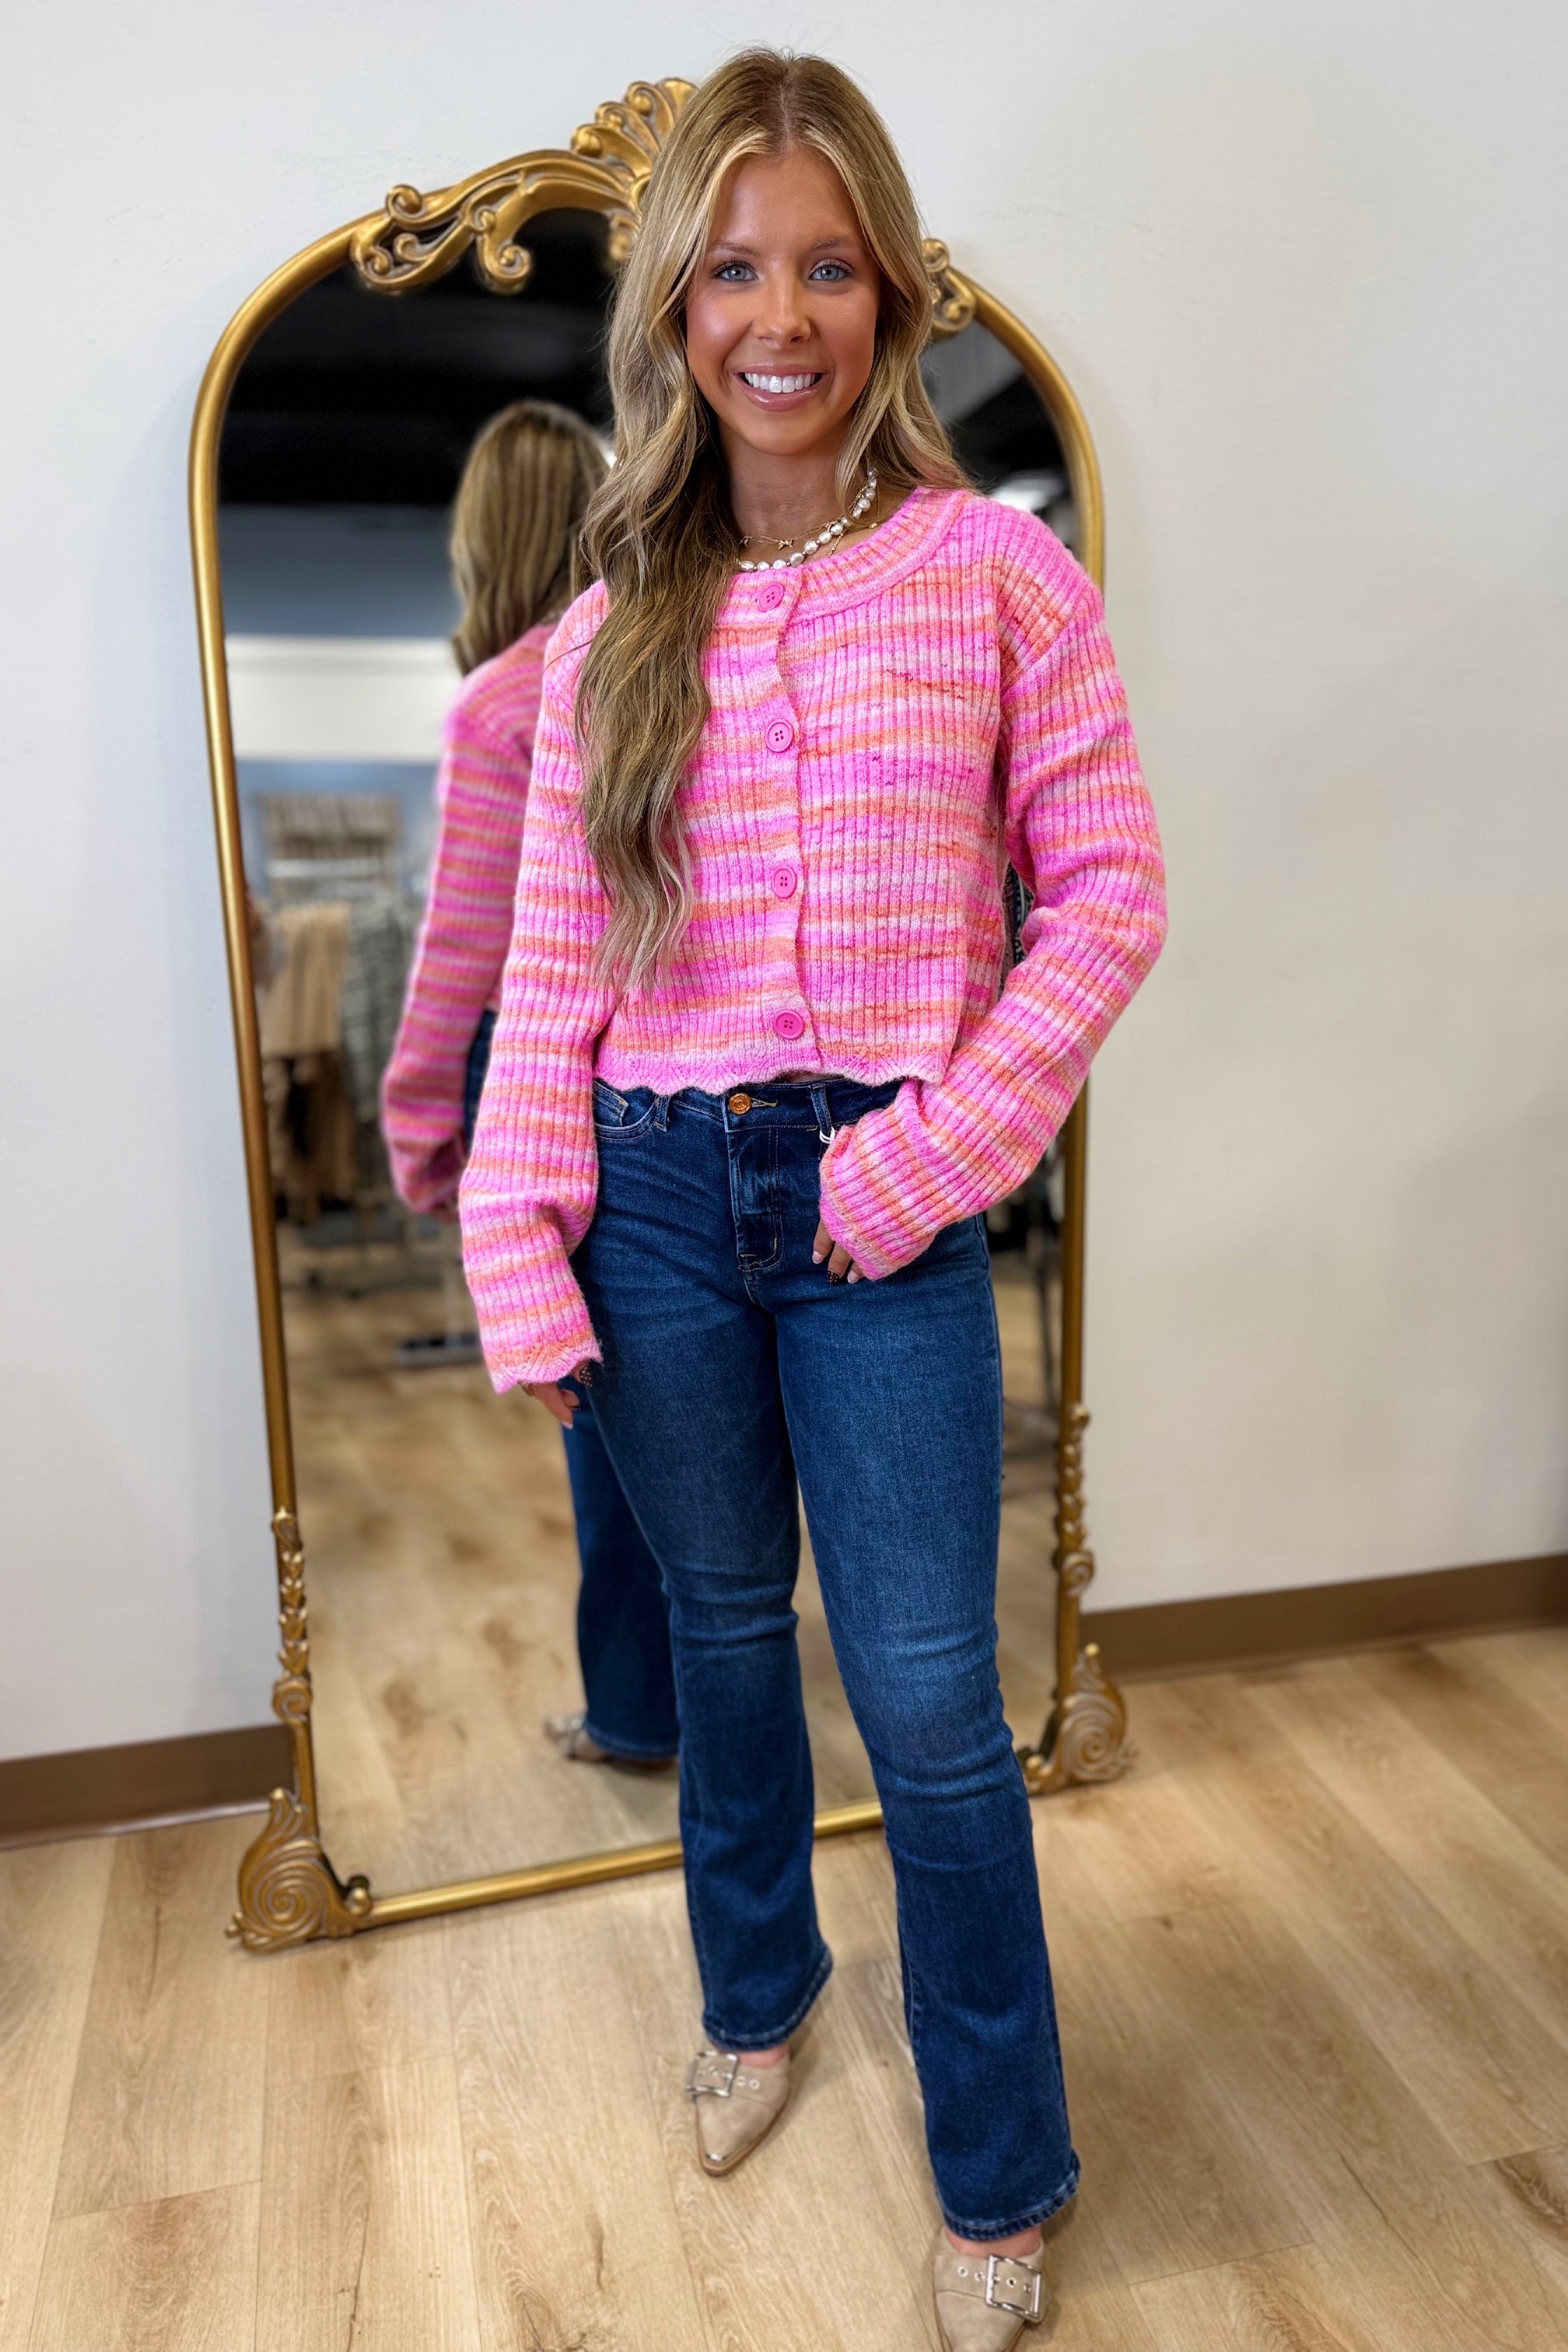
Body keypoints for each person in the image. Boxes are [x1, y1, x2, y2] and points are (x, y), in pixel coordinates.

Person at [460, 53, 1165, 2349]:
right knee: (723, 1639)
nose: (784, 317)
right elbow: (556, 963)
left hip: (882, 1209)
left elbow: (1109, 903)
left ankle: (1000, 2168)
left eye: (830, 266)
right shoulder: (606, 632)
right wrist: (517, 1235)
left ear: (893, 295)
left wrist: (927, 1159)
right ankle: (756, 1999)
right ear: (677, 309)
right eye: (737, 270)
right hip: (652, 1204)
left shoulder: (999, 577)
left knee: (937, 1707)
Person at [382, 400, 678, 1773]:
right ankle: (676, 1695)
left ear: (481, 540)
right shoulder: (657, 658)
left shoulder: (509, 698)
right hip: (667, 1067)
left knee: (599, 1413)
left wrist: (418, 1118)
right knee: (677, 1410)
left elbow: (467, 944)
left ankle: (637, 1712)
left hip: (543, 1067)